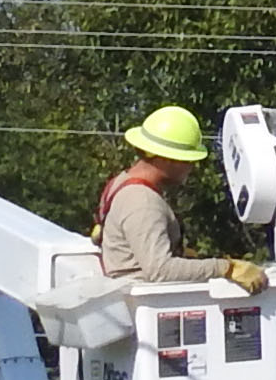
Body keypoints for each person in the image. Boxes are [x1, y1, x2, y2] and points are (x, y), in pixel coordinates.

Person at [98, 109, 250, 289]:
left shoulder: (121, 183)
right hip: (149, 304)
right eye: (187, 160)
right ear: (167, 159)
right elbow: (161, 270)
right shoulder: (142, 202)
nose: (191, 166)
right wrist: (226, 268)